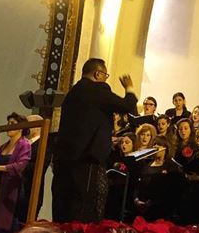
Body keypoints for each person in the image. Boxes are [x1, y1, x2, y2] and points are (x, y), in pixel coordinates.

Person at [52, 58, 137, 223]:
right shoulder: (97, 90)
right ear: (98, 73)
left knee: (63, 208)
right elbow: (127, 105)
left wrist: (104, 138)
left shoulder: (72, 94)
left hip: (64, 159)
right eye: (105, 75)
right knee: (85, 209)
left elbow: (85, 124)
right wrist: (129, 88)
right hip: (86, 160)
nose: (106, 79)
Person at [0, 113, 31, 233]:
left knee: (6, 223)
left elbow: (20, 166)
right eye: (8, 123)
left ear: (21, 127)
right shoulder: (3, 146)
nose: (8, 126)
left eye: (12, 124)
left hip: (11, 190)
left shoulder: (24, 144)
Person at [17, 114, 50, 221]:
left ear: (37, 127)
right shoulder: (21, 143)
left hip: (29, 191)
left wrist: (16, 164)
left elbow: (40, 165)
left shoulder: (45, 144)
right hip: (13, 190)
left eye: (27, 125)